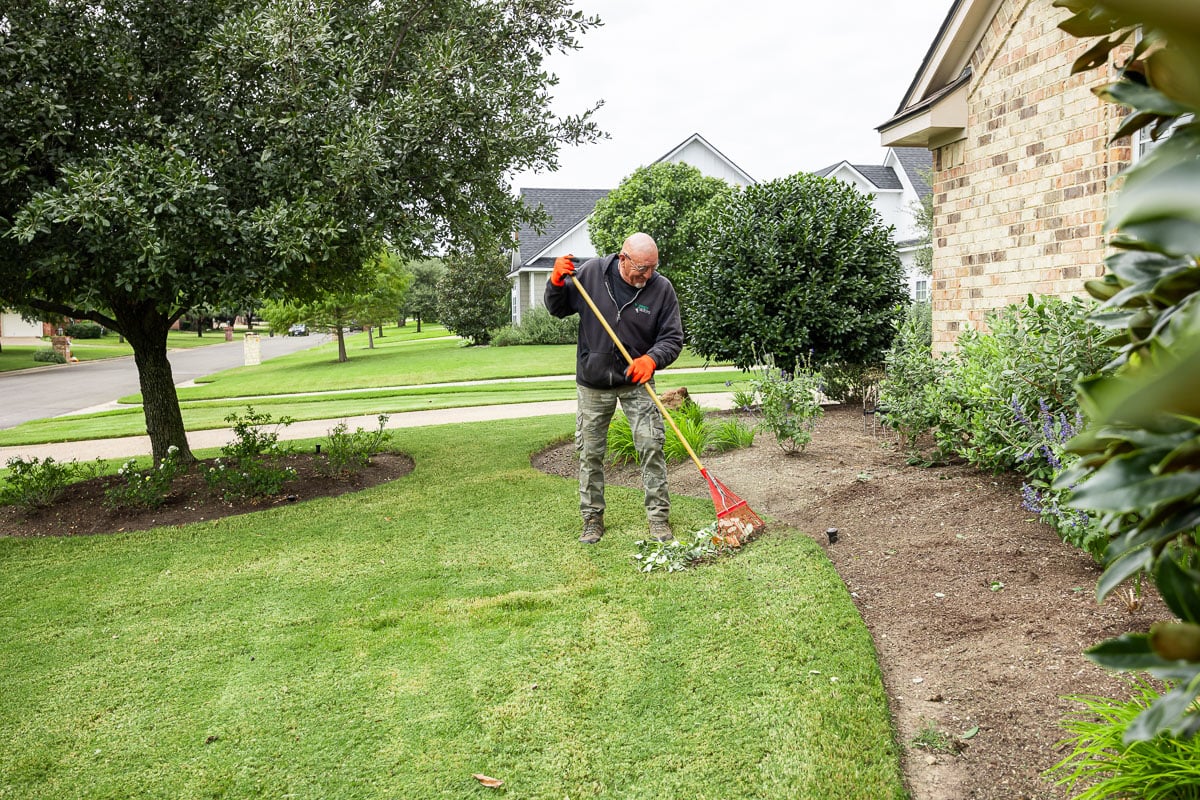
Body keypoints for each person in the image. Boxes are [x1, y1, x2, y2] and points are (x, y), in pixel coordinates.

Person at [543, 232, 684, 544]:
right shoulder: (591, 274)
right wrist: (555, 282)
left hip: (636, 383)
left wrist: (651, 359)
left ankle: (658, 519)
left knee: (651, 446)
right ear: (623, 258)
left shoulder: (661, 289)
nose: (647, 276)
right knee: (590, 453)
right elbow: (557, 307)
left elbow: (672, 339)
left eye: (652, 268)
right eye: (641, 269)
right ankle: (592, 519)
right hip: (593, 383)